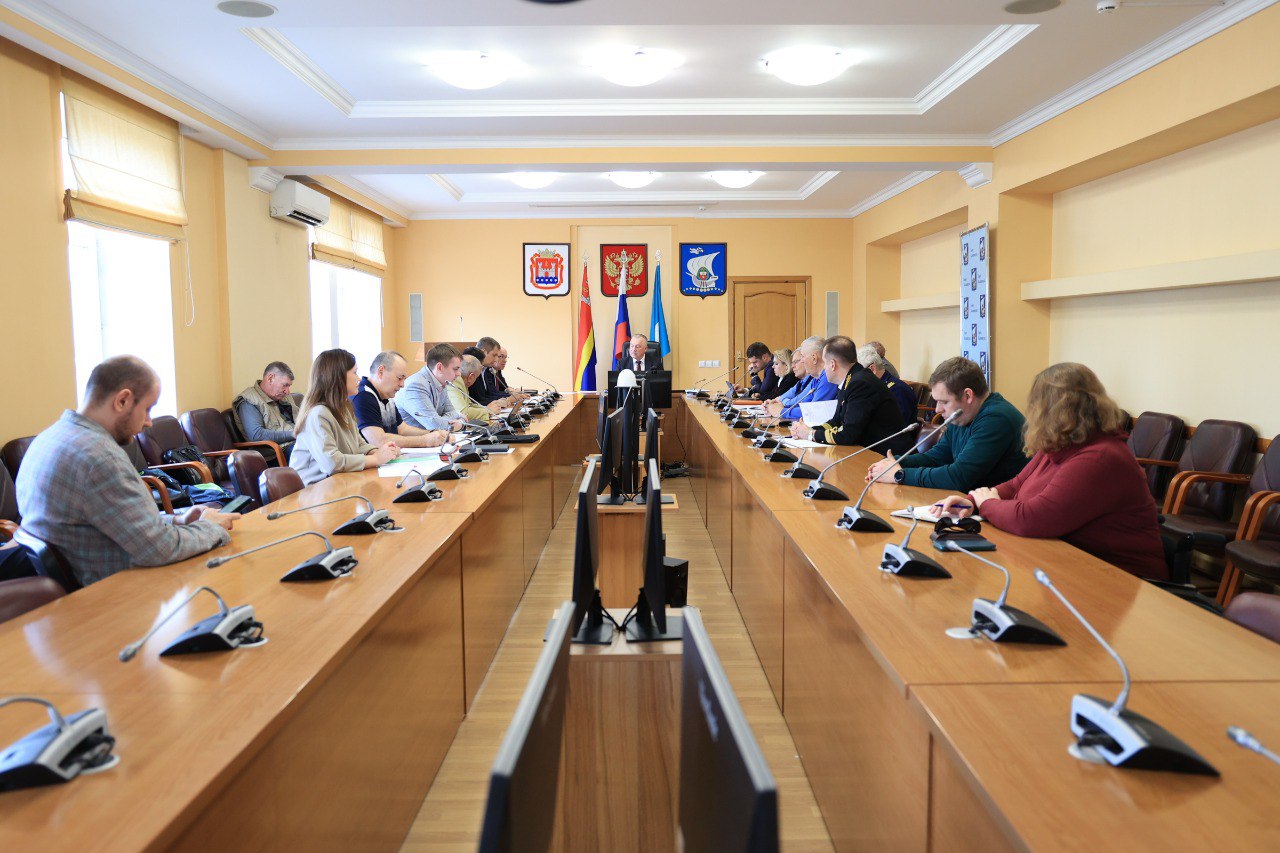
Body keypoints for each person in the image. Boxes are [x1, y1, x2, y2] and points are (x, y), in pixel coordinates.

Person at [15, 355, 238, 586]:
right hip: (116, 591)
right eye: (147, 409)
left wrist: (179, 520)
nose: (149, 422)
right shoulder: (100, 457)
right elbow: (160, 548)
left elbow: (114, 523)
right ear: (122, 400)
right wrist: (210, 527)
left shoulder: (48, 439)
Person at [937, 363, 1167, 580]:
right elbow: (1017, 484)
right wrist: (972, 502)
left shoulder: (1100, 456)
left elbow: (1032, 518)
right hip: (1069, 565)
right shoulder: (1062, 442)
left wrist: (987, 504)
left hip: (1121, 579)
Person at [867, 357, 1028, 491]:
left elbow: (959, 477)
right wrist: (896, 463)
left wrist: (899, 475)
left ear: (967, 395)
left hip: (999, 511)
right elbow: (936, 458)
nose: (938, 409)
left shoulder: (996, 419)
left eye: (944, 402)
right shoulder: (962, 415)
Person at [291, 349, 401, 486]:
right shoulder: (318, 413)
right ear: (338, 377)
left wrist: (381, 452)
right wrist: (376, 459)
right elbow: (332, 463)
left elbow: (359, 444)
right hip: (314, 489)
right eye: (355, 372)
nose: (359, 378)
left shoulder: (343, 407)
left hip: (339, 482)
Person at [790, 336, 912, 453]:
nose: (824, 368)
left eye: (825, 363)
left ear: (832, 364)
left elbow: (848, 434)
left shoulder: (860, 383)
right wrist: (809, 430)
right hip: (869, 451)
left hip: (888, 455)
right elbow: (836, 421)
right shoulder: (850, 379)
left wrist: (810, 434)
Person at [352, 351, 448, 448]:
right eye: (399, 378)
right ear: (381, 372)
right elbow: (378, 441)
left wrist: (433, 433)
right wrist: (425, 440)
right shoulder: (363, 396)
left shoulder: (386, 396)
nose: (402, 384)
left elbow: (403, 429)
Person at [396, 343, 468, 432]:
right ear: (440, 368)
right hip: (413, 439)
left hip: (435, 438)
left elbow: (451, 412)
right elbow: (436, 426)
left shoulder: (442, 382)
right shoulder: (416, 385)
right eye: (455, 369)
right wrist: (460, 423)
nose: (459, 374)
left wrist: (453, 417)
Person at [763, 336, 838, 421]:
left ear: (814, 358)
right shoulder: (816, 379)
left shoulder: (828, 378)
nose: (802, 361)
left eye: (802, 356)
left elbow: (814, 411)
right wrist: (776, 405)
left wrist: (782, 411)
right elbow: (801, 402)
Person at [232, 362, 298, 455]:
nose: (287, 391)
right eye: (284, 385)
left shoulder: (283, 396)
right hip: (278, 452)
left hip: (298, 442)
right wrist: (296, 434)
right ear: (270, 378)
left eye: (289, 386)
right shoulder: (249, 400)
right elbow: (257, 435)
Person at [857, 344, 917, 426]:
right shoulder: (875, 387)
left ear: (872, 369)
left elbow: (899, 424)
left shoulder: (897, 389)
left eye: (859, 373)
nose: (857, 378)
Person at [448, 354, 505, 424]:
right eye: (476, 378)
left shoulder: (462, 382)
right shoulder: (455, 382)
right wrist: (488, 411)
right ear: (471, 377)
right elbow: (463, 412)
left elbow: (469, 405)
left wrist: (487, 408)